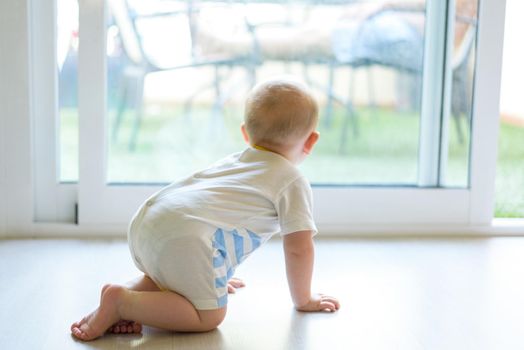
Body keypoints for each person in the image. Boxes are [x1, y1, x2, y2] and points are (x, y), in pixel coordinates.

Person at [71, 77, 340, 341]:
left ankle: (122, 296)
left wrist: (215, 277)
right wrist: (304, 299)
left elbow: (210, 215)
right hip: (184, 240)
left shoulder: (236, 162)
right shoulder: (290, 180)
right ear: (311, 141)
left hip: (149, 220)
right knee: (208, 316)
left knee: (170, 281)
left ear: (245, 133)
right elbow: (298, 248)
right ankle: (122, 303)